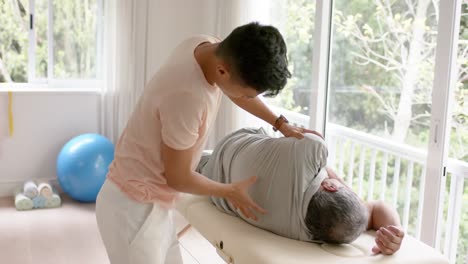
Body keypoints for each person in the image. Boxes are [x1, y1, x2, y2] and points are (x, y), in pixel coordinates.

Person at [95, 22, 320, 264]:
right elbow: (177, 177)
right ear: (223, 71)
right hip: (133, 208)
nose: (246, 98)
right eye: (248, 94)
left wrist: (279, 122)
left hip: (150, 201)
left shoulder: (204, 46)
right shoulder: (188, 96)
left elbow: (236, 91)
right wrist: (229, 191)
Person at [197, 127, 405, 255]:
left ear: (330, 186)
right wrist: (395, 232)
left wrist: (333, 178)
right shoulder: (307, 233)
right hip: (212, 178)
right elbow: (376, 209)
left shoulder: (312, 151)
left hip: (235, 142)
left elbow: (307, 137)